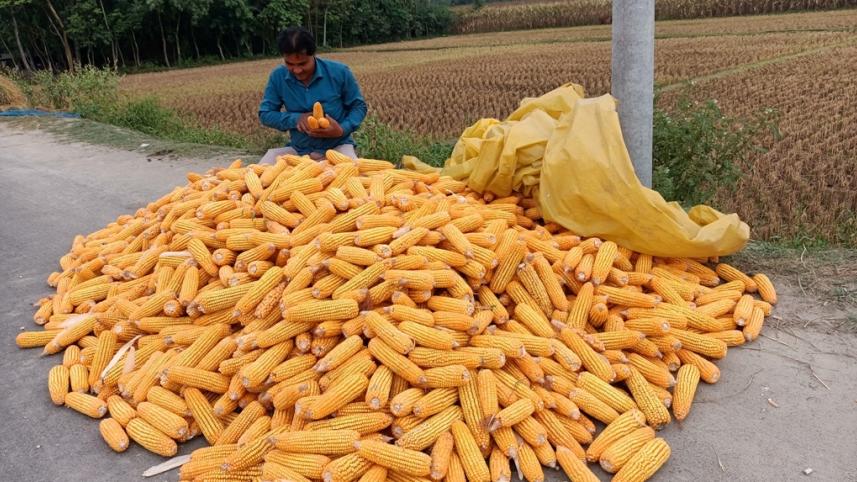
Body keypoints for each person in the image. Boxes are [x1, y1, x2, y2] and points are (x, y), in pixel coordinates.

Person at [258, 26, 367, 164]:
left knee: (350, 178)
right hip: (299, 150)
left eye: (303, 63)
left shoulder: (340, 72)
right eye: (289, 64)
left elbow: (358, 107)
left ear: (313, 55)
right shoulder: (277, 77)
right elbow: (265, 114)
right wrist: (296, 119)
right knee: (258, 177)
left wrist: (341, 129)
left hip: (338, 147)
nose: (297, 70)